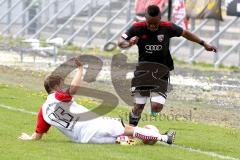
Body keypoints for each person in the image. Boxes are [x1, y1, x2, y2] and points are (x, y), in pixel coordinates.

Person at [18, 57, 176, 145]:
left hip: (86, 139)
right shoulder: (58, 96)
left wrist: (29, 138)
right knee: (127, 129)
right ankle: (164, 138)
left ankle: (147, 136)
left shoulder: (43, 111)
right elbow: (73, 89)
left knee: (122, 139)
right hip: (94, 125)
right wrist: (80, 70)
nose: (64, 86)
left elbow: (37, 135)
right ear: (56, 86)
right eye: (62, 84)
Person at [118, 5, 217, 126]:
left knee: (156, 106)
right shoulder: (137, 27)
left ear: (160, 18)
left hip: (162, 70)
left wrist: (204, 43)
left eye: (155, 23)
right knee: (139, 106)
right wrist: (129, 43)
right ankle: (131, 131)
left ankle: (152, 117)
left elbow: (185, 33)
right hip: (143, 70)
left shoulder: (168, 27)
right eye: (150, 23)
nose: (153, 26)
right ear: (145, 18)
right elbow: (120, 42)